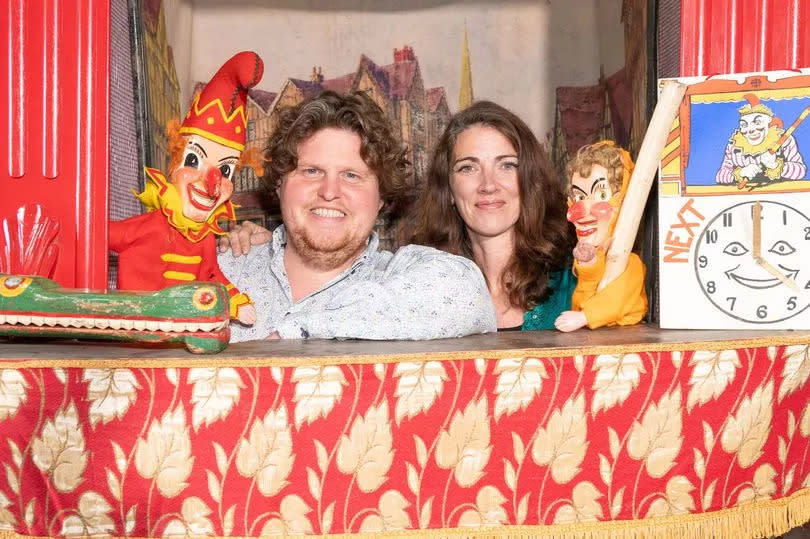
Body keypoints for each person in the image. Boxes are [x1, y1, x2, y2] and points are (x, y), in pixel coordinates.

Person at [216, 91, 496, 341]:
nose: (329, 192)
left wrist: (303, 329)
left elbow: (469, 294)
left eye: (351, 176)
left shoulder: (399, 277)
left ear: (381, 198)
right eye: (311, 171)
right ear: (279, 184)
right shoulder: (223, 266)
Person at [109, 51, 263, 325]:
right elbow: (92, 236)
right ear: (175, 164)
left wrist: (237, 304)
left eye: (225, 170)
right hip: (137, 338)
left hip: (181, 341)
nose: (211, 182)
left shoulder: (204, 239)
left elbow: (213, 275)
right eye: (194, 160)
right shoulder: (148, 226)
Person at [408, 101, 576, 330]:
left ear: (531, 181)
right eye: (468, 167)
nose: (488, 185)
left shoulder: (578, 288)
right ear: (448, 189)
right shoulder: (419, 293)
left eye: (507, 165)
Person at [553, 141, 647, 332]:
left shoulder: (630, 262)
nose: (584, 210)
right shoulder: (602, 255)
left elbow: (617, 299)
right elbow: (589, 287)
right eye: (579, 197)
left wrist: (586, 317)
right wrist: (588, 263)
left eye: (601, 194)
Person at [715, 93, 806, 187]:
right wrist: (741, 173)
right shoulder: (734, 144)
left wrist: (774, 165)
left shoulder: (785, 141)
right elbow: (720, 176)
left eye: (757, 122)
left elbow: (801, 171)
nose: (750, 129)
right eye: (744, 125)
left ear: (769, 121)